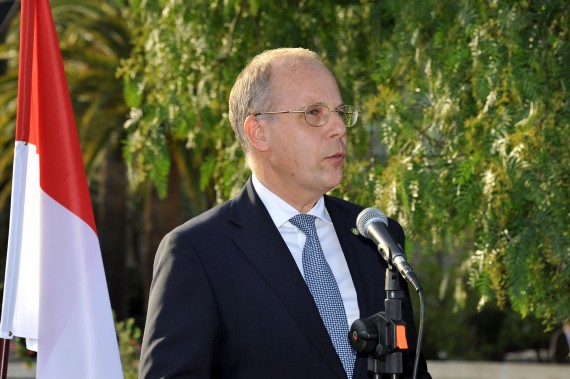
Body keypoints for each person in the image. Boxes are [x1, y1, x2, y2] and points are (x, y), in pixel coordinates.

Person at [139, 47, 431, 379]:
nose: (338, 128)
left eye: (340, 112)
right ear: (258, 132)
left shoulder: (376, 235)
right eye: (314, 113)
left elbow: (411, 370)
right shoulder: (198, 252)